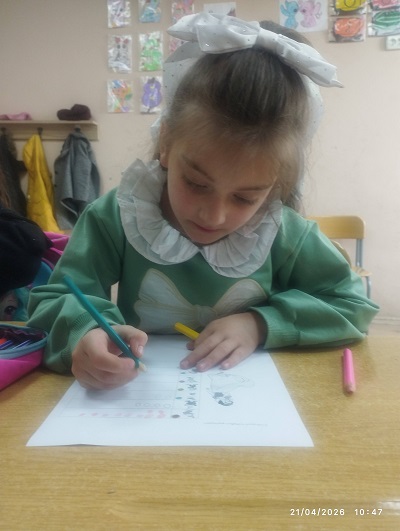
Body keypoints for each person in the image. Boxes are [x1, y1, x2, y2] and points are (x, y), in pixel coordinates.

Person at [28, 13, 379, 390]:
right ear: (166, 144)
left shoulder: (282, 231)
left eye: (245, 197)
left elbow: (351, 305)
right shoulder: (117, 216)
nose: (214, 216)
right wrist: (84, 333)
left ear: (276, 185)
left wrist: (260, 323)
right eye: (196, 183)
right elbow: (54, 301)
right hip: (137, 402)